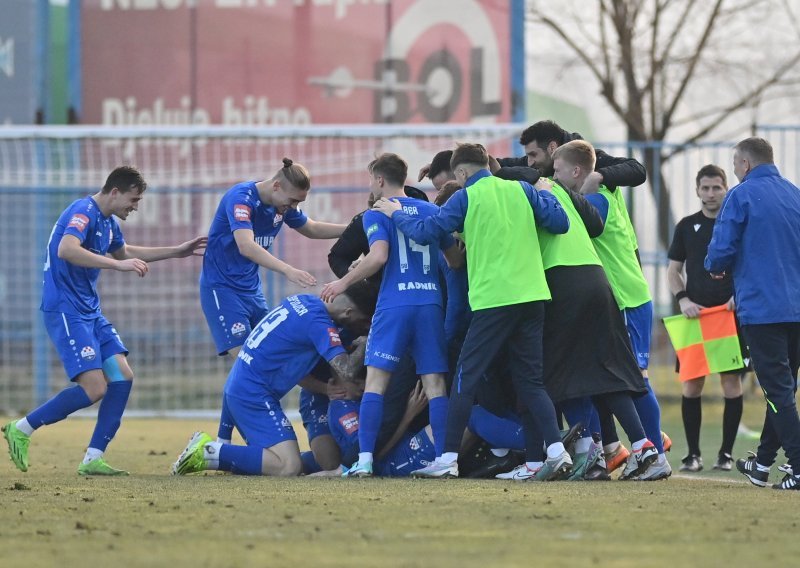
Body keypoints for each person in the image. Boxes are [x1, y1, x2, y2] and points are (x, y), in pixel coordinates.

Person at [373, 142, 573, 479]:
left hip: (495, 300)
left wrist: (395, 213)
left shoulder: (465, 197)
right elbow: (560, 223)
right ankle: (551, 454)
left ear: (462, 173)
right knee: (531, 382)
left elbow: (425, 232)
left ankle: (447, 459)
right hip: (533, 296)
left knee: (465, 377)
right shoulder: (522, 189)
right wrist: (547, 191)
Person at [2, 166, 206, 475]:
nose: (135, 207)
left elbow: (124, 253)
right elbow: (67, 249)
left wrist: (176, 252)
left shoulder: (109, 223)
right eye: (133, 199)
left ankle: (93, 458)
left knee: (122, 376)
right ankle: (22, 428)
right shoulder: (82, 211)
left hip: (89, 311)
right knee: (95, 388)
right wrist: (115, 266)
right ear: (115, 192)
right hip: (66, 310)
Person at [320, 153, 461, 478]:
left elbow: (379, 256)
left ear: (380, 180)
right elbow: (454, 260)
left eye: (372, 180)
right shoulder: (431, 210)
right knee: (436, 384)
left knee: (376, 383)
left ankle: (365, 461)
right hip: (429, 304)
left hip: (395, 305)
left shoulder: (377, 211)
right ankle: (446, 462)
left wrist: (342, 281)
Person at [200, 158, 346, 444]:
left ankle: (238, 439)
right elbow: (246, 245)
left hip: (251, 290)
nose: (291, 208)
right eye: (291, 201)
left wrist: (354, 227)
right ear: (277, 185)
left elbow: (312, 228)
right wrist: (287, 269)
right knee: (246, 361)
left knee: (266, 357)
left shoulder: (281, 204)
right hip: (222, 290)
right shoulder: (241, 198)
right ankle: (222, 441)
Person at [171, 286, 374, 477]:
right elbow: (346, 369)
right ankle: (208, 453)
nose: (365, 327)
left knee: (284, 462)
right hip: (254, 395)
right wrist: (367, 341)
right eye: (364, 321)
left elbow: (294, 370)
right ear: (348, 313)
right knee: (288, 466)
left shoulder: (303, 301)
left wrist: (324, 389)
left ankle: (217, 452)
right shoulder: (319, 325)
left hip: (243, 389)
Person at [562, 140, 670, 481]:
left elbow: (590, 224)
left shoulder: (597, 198)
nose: (554, 174)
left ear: (577, 170)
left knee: (635, 379)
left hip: (627, 299)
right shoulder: (594, 195)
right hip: (618, 299)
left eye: (559, 169)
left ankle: (653, 451)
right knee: (612, 378)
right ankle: (631, 450)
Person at [705, 137, 800, 491]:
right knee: (784, 390)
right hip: (796, 307)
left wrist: (715, 265)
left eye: (734, 164)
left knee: (777, 392)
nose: (734, 170)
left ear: (745, 164)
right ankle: (761, 465)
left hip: (763, 309)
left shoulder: (740, 195)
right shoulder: (795, 193)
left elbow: (721, 248)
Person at [667, 164, 748, 472]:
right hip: (694, 318)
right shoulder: (686, 226)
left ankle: (726, 455)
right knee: (691, 386)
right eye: (706, 188)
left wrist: (737, 296)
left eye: (717, 187)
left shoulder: (737, 225)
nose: (711, 193)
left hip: (728, 317)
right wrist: (683, 299)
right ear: (697, 190)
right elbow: (673, 272)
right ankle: (693, 455)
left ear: (726, 189)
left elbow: (748, 267)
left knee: (731, 385)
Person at [496, 119, 647, 192]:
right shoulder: (542, 163)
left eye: (533, 155)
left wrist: (597, 177)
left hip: (620, 253)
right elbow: (502, 164)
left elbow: (638, 170)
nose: (529, 163)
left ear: (552, 147)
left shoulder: (590, 160)